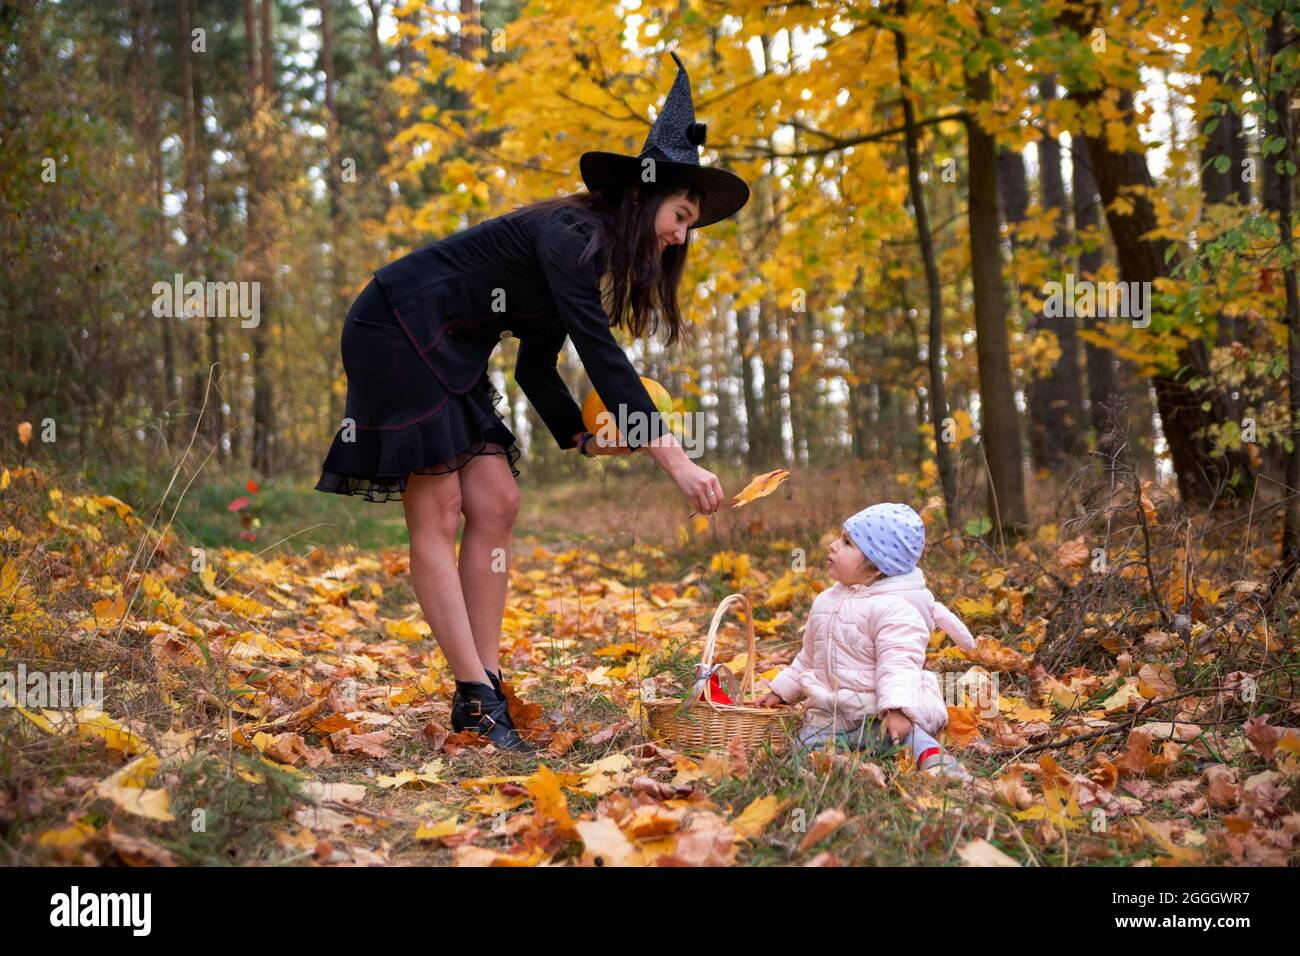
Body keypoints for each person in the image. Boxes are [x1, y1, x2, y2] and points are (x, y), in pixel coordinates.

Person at [314, 52, 749, 752]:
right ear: (644, 196)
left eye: (691, 224)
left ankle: (484, 690)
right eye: (680, 214)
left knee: (498, 503)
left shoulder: (589, 251)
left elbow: (538, 367)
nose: (681, 235)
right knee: (442, 505)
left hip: (450, 346)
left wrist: (583, 438)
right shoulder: (568, 236)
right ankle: (477, 699)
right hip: (394, 325)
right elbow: (601, 356)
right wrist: (676, 459)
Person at [756, 503, 975, 780]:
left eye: (847, 543)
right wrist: (782, 690)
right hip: (828, 719)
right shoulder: (825, 601)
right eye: (840, 537)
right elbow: (809, 658)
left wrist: (897, 709)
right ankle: (832, 770)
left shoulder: (894, 609)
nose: (833, 546)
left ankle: (939, 766)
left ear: (877, 568)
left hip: (876, 716)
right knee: (803, 751)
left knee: (911, 741)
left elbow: (899, 663)